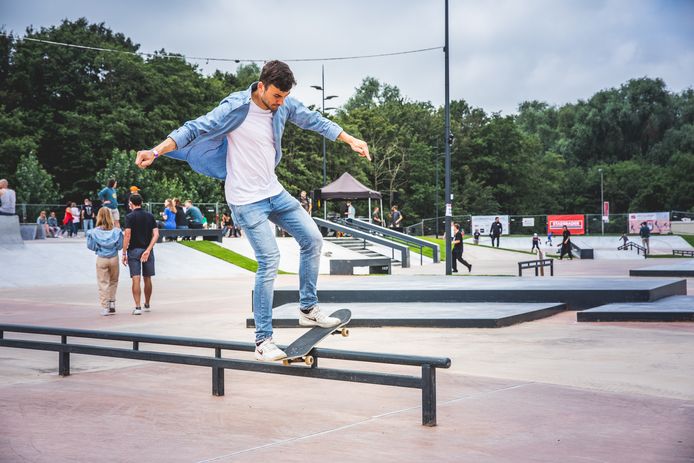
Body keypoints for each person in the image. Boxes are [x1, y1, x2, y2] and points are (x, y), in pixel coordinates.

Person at [134, 60, 370, 361]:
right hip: (245, 200)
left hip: (273, 191)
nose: (279, 104)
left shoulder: (283, 105)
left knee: (313, 239)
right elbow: (193, 128)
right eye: (275, 97)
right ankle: (263, 340)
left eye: (284, 98)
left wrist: (349, 139)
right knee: (269, 259)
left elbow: (314, 120)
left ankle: (308, 309)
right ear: (261, 86)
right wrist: (155, 151)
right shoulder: (234, 106)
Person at [122, 194, 159, 315]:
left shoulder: (129, 217)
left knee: (136, 278)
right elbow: (156, 235)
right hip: (147, 250)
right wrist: (148, 250)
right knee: (147, 278)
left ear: (131, 203)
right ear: (142, 202)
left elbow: (127, 235)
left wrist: (123, 252)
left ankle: (137, 307)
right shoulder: (150, 216)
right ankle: (147, 303)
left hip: (133, 250)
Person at [87, 207, 124, 316]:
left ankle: (105, 307)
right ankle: (112, 303)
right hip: (113, 258)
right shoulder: (116, 232)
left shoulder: (93, 232)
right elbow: (120, 246)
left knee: (103, 283)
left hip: (101, 258)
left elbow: (91, 246)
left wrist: (99, 248)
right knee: (113, 281)